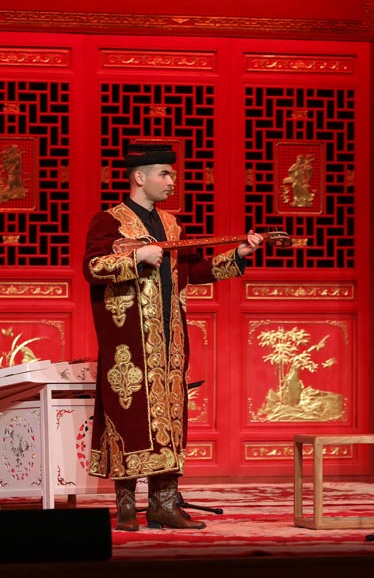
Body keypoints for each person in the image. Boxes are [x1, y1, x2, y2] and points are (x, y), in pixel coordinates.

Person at [83, 142, 264, 531]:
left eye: (172, 174)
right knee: (130, 417)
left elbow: (193, 271)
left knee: (170, 416)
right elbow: (94, 267)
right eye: (164, 174)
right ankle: (126, 505)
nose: (171, 181)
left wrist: (239, 254)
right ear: (139, 177)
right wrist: (137, 257)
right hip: (129, 344)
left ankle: (164, 505)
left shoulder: (171, 225)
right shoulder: (109, 221)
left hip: (169, 340)